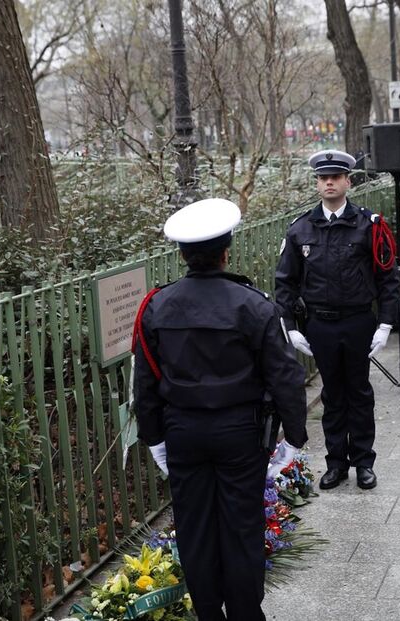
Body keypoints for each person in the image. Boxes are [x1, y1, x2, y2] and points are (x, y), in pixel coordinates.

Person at [133, 198, 309, 621]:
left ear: (182, 254)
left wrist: (153, 436)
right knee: (242, 527)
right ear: (227, 249)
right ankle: (246, 614)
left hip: (183, 432)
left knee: (195, 530)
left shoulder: (157, 305)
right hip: (239, 433)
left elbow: (146, 380)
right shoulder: (253, 304)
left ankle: (209, 615)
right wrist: (295, 438)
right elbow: (284, 375)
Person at [275, 150, 399, 491]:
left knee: (359, 393)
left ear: (348, 181)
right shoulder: (301, 229)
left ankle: (364, 463)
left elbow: (388, 277)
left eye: (335, 177)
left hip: (358, 322)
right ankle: (335, 463)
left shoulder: (368, 225)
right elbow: (285, 282)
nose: (329, 182)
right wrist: (290, 326)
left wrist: (386, 324)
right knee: (332, 395)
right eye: (323, 178)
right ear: (317, 183)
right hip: (320, 325)